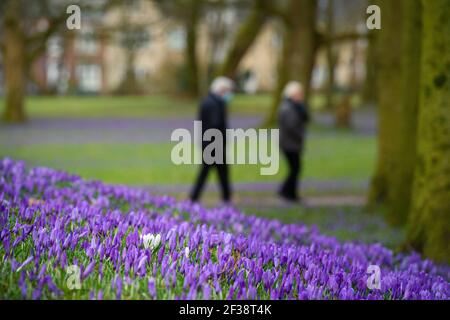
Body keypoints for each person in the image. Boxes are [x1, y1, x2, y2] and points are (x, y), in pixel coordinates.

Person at [190, 77, 234, 204]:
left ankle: (195, 197)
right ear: (221, 90)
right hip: (214, 144)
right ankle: (225, 197)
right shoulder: (215, 104)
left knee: (215, 171)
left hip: (208, 143)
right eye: (227, 91)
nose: (229, 94)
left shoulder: (208, 101)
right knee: (217, 171)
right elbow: (216, 125)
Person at [278, 81, 310, 202]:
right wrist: (300, 135)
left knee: (295, 169)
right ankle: (287, 191)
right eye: (299, 93)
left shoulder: (295, 106)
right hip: (289, 143)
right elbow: (292, 126)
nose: (301, 96)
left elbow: (305, 118)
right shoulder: (287, 107)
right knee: (295, 168)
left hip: (292, 143)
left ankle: (289, 192)